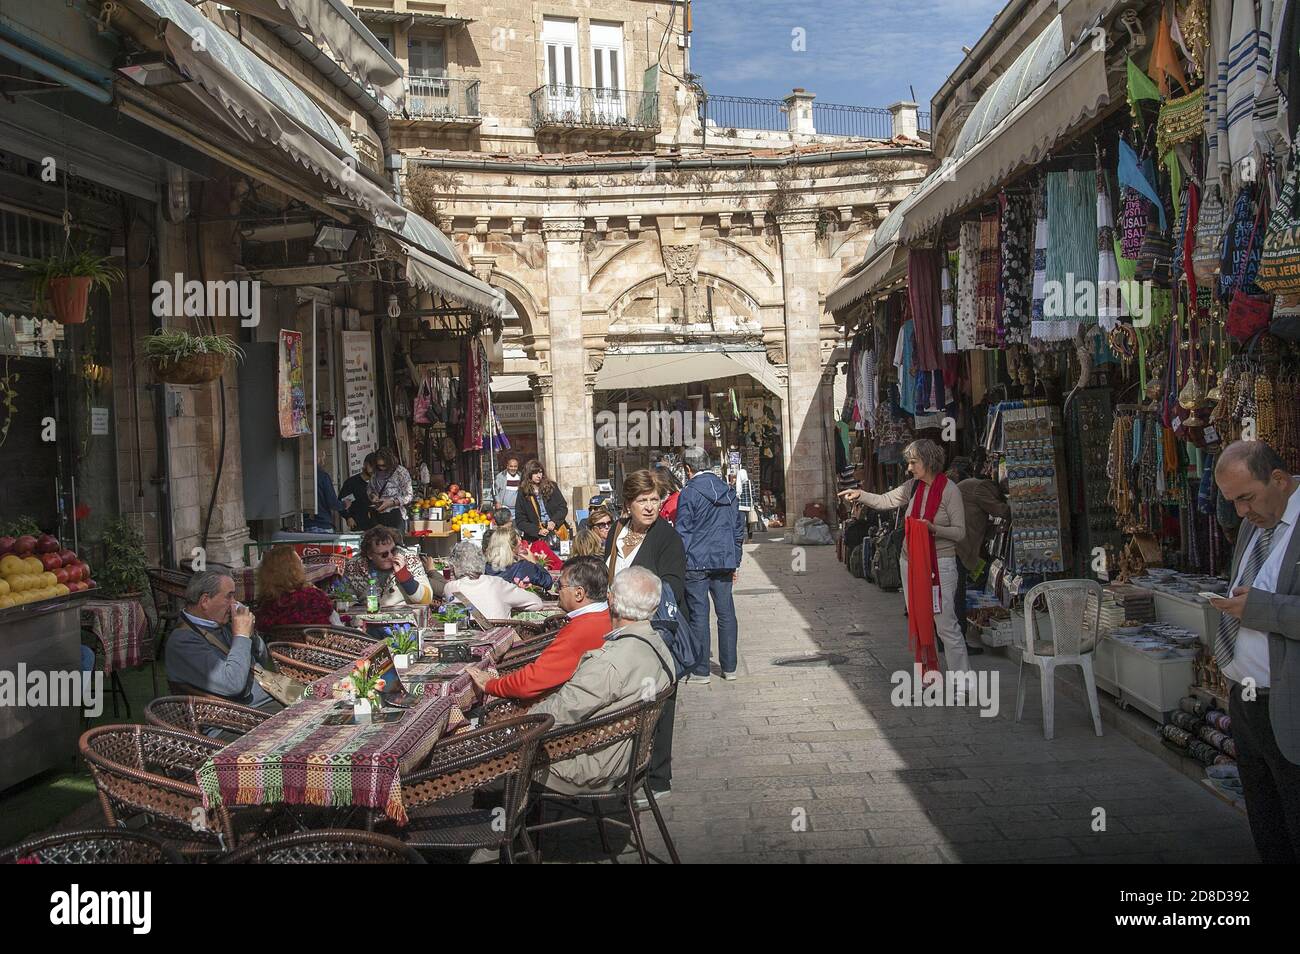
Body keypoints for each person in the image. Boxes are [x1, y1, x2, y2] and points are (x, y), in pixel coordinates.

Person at [1210, 440, 1300, 863]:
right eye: (1233, 502)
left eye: (1245, 498)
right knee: (1267, 825)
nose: (1240, 512)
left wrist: (1259, 609)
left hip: (1288, 703)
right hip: (1245, 701)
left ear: (1279, 480)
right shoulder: (1254, 522)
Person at [530, 567, 676, 796]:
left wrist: (513, 727)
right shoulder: (660, 647)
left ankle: (498, 830)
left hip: (592, 767)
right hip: (627, 759)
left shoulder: (611, 662)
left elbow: (558, 713)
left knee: (496, 765)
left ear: (612, 600)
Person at [839, 438, 970, 688]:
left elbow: (960, 532)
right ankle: (930, 679)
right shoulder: (913, 487)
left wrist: (932, 529)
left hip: (939, 565)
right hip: (911, 563)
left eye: (913, 462)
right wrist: (861, 495)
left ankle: (962, 683)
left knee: (945, 626)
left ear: (928, 462)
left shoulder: (950, 491)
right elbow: (886, 500)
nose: (909, 468)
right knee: (920, 624)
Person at [603, 468, 686, 800]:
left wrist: (637, 603)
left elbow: (675, 587)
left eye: (654, 500)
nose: (650, 507)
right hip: (615, 632)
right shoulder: (617, 533)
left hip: (652, 634)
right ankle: (622, 767)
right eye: (642, 500)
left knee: (657, 704)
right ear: (628, 503)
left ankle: (657, 776)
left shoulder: (667, 537)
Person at [466, 556, 612, 703]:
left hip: (558, 711)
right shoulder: (608, 616)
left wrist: (491, 685)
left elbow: (530, 682)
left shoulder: (581, 629)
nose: (556, 590)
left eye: (560, 586)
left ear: (579, 593)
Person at [676, 446, 745, 684]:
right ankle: (730, 668)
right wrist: (735, 560)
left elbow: (683, 531)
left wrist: (678, 561)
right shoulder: (728, 491)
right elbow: (738, 530)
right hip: (724, 560)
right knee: (726, 613)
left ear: (687, 469)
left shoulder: (689, 493)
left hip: (696, 562)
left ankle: (702, 670)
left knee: (699, 615)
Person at [165, 570, 277, 710]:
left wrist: (251, 633)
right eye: (228, 597)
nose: (234, 603)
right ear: (205, 601)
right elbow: (233, 684)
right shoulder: (183, 641)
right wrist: (241, 636)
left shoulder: (222, 624)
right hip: (244, 715)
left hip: (269, 696)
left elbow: (263, 660)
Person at [952, 450, 1007, 656]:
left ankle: (949, 641)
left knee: (954, 596)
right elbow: (1000, 510)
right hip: (957, 547)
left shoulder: (969, 487)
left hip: (957, 545)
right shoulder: (983, 487)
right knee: (956, 596)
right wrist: (1016, 506)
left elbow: (980, 518)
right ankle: (958, 643)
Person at [442, 541, 545, 620]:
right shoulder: (496, 583)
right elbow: (537, 603)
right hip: (498, 642)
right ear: (481, 561)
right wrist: (511, 606)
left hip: (465, 643)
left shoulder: (450, 588)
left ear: (454, 566)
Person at [254, 545, 342, 630]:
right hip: (319, 643)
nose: (303, 566)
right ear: (295, 570)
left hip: (277, 645)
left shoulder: (266, 604)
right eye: (300, 563)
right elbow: (338, 626)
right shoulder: (314, 597)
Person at [344, 525, 434, 607]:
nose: (391, 556)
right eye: (384, 554)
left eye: (393, 550)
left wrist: (404, 576)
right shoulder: (354, 565)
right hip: (366, 616)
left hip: (404, 617)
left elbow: (427, 599)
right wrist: (357, 608)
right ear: (370, 555)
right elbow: (344, 596)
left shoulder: (409, 558)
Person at [481, 508, 554, 590]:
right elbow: (548, 582)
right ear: (512, 547)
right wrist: (534, 562)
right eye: (518, 542)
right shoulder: (523, 567)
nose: (520, 543)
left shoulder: (487, 567)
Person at [516, 459, 568, 544]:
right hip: (535, 538)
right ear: (529, 474)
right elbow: (520, 520)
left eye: (540, 472)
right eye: (535, 473)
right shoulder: (523, 493)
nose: (539, 475)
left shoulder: (551, 487)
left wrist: (554, 521)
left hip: (556, 533)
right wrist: (537, 530)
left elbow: (563, 507)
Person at [368, 447, 414, 530]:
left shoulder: (401, 472)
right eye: (379, 466)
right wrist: (373, 496)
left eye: (384, 465)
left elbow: (409, 496)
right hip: (378, 515)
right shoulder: (375, 473)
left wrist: (392, 503)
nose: (382, 468)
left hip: (395, 514)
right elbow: (370, 489)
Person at [305, 451, 344, 533]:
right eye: (322, 458)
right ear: (317, 458)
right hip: (322, 524)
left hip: (306, 525)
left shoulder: (302, 475)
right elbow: (332, 503)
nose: (323, 461)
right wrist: (344, 504)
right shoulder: (323, 476)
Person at [339, 453, 378, 531]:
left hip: (377, 525)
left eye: (376, 468)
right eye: (371, 466)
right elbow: (342, 502)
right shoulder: (352, 483)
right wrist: (348, 517)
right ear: (365, 464)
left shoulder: (378, 482)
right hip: (359, 526)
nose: (373, 470)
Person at [734, 462, 757, 540]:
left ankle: (740, 538)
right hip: (749, 506)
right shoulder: (750, 483)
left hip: (740, 506)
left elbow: (736, 495)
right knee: (749, 522)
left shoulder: (738, 484)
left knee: (741, 523)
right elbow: (753, 494)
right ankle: (750, 538)